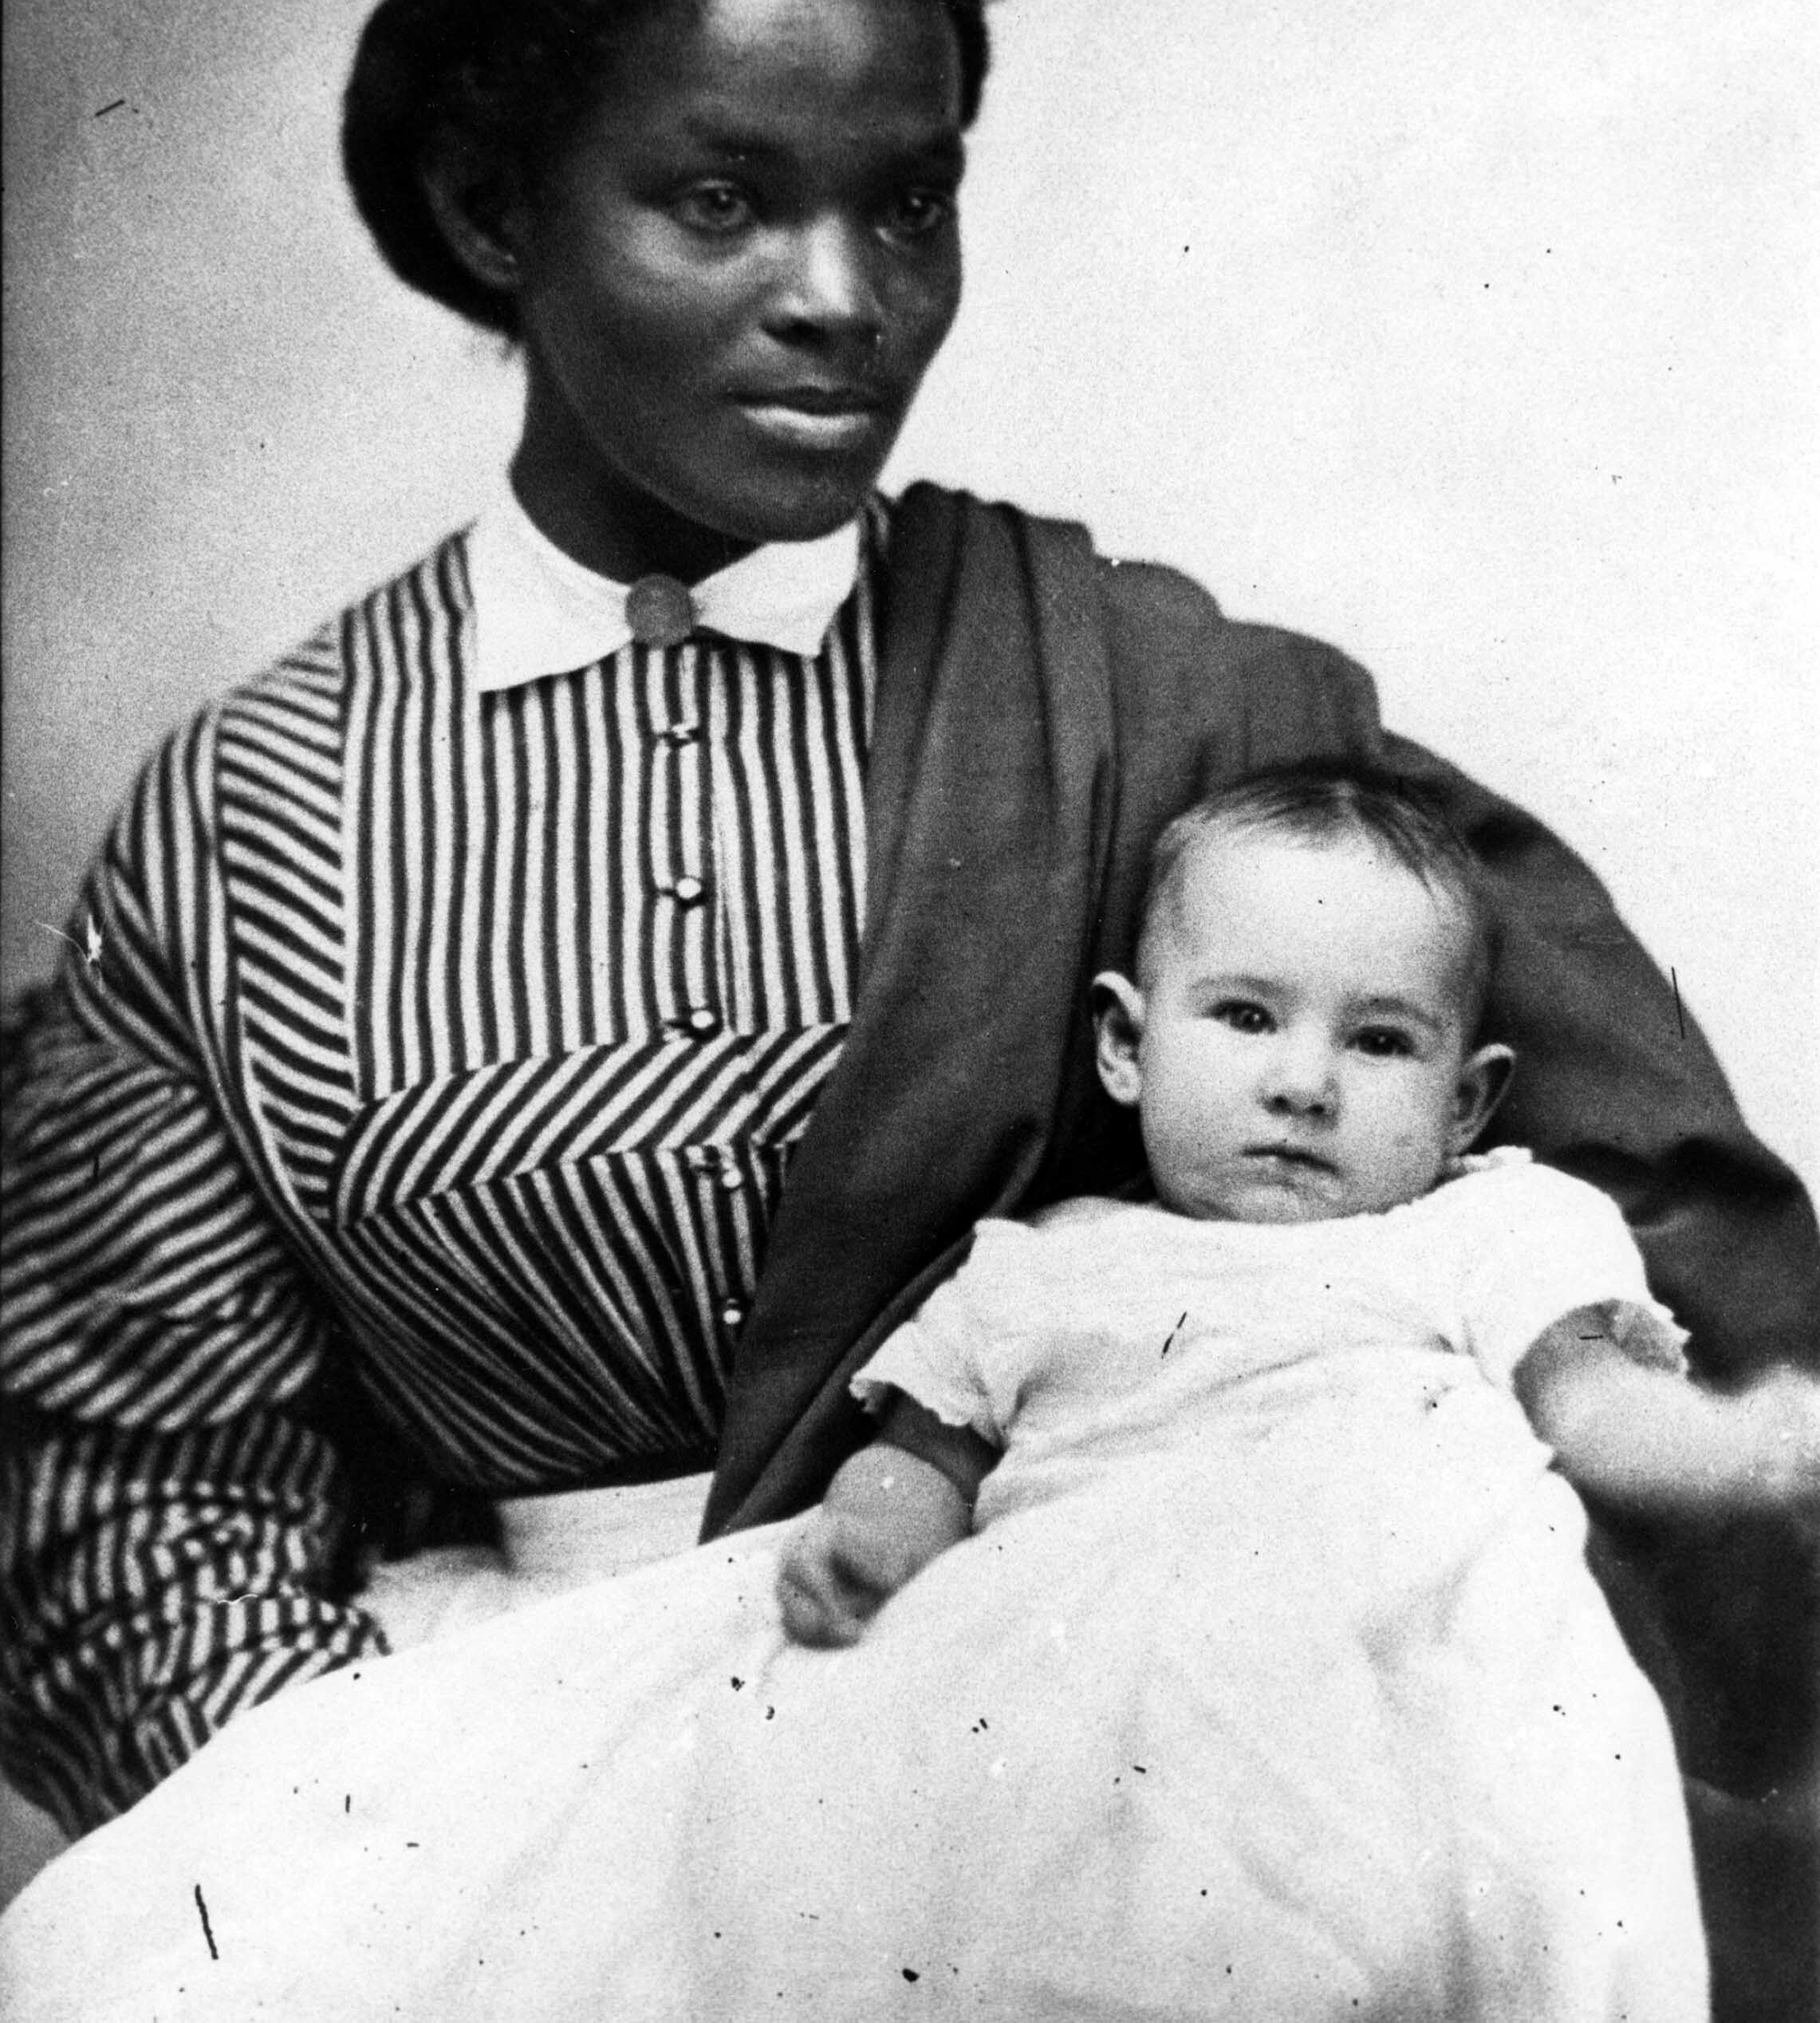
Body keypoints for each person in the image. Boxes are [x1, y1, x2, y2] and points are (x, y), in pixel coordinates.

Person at [0, 0, 1814, 2009]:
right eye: (721, 200)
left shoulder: (1152, 700)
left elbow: (1630, 1208)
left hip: (1077, 1813)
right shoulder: (252, 817)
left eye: (913, 203)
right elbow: (132, 1470)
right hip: (472, 1823)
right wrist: (425, 1862)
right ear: (496, 209)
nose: (844, 298)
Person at [6, 763, 1813, 2020]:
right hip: (1056, 1643)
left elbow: (1586, 1402)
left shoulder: (1483, 1227)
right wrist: (869, 1539)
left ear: (1470, 1099)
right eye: (1244, 1018)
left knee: (1370, 1915)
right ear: (1123, 1040)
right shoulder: (1048, 1261)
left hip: (1368, 1652)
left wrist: (1736, 1444)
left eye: (1379, 1041)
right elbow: (924, 1448)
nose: (1304, 1086)